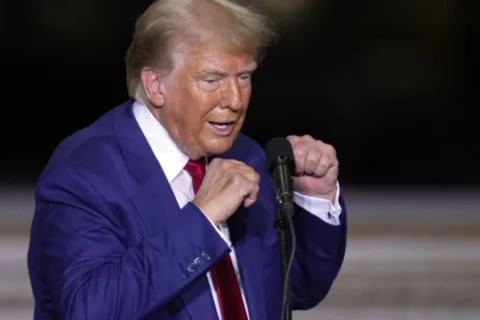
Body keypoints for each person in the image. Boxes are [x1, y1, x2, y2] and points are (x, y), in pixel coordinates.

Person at [27, 0, 347, 319]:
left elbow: (294, 288)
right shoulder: (84, 172)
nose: (235, 100)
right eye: (212, 80)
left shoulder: (247, 155)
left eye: (244, 78)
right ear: (156, 85)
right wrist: (203, 218)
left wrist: (314, 197)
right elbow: (87, 310)